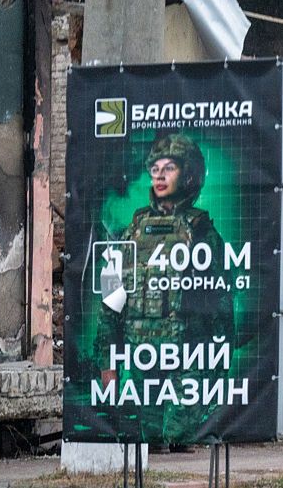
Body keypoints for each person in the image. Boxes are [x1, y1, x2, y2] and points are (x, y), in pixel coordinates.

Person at [95, 133, 230, 450]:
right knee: (152, 443)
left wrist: (216, 364)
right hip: (142, 358)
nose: (159, 174)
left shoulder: (202, 232)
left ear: (190, 174)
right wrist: (107, 363)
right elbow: (111, 301)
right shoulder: (133, 229)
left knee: (178, 440)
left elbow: (222, 303)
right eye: (155, 167)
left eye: (169, 167)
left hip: (187, 357)